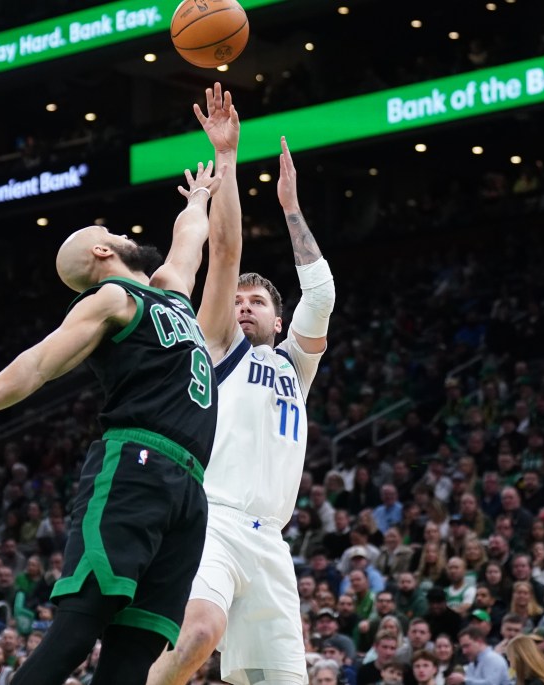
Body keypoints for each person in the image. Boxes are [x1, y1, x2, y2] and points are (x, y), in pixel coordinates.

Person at [0, 157, 225, 684]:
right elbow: (39, 362)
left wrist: (198, 200)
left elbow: (189, 244)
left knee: (132, 656)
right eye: (112, 232)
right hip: (134, 464)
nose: (124, 233)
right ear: (103, 251)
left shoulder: (169, 292)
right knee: (79, 629)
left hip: (189, 487)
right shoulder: (112, 299)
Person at [148, 84, 333, 685]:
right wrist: (226, 160)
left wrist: (290, 207)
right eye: (241, 300)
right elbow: (225, 251)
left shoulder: (292, 368)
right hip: (214, 519)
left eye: (259, 302)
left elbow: (322, 294)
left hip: (272, 545)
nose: (246, 306)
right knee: (200, 632)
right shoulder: (219, 349)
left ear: (279, 322)